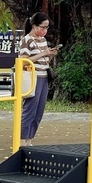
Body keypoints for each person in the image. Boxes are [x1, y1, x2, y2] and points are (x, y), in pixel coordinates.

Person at [18, 12, 60, 146]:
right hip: (32, 78)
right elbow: (23, 61)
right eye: (42, 27)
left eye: (47, 28)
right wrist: (44, 53)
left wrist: (50, 54)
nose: (45, 30)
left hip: (44, 77)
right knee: (29, 110)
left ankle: (29, 139)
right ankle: (22, 140)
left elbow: (44, 60)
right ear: (34, 25)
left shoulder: (42, 40)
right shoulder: (27, 40)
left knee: (39, 111)